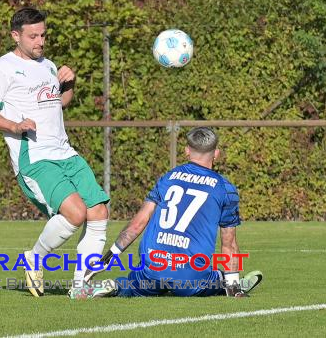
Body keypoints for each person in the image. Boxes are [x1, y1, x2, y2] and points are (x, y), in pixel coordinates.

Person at [0, 7, 110, 298]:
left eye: (43, 35)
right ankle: (34, 257)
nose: (40, 41)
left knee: (99, 210)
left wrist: (70, 84)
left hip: (65, 151)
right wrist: (15, 125)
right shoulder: (2, 68)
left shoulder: (49, 65)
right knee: (75, 213)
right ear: (16, 36)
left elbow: (59, 102)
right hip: (35, 156)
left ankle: (81, 286)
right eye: (33, 36)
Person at [84, 127, 262, 298]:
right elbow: (228, 244)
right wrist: (233, 287)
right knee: (216, 278)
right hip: (190, 277)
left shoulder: (168, 178)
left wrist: (107, 259)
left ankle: (116, 286)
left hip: (153, 269)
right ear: (216, 154)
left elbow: (137, 224)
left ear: (186, 151)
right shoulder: (225, 188)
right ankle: (228, 284)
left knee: (136, 284)